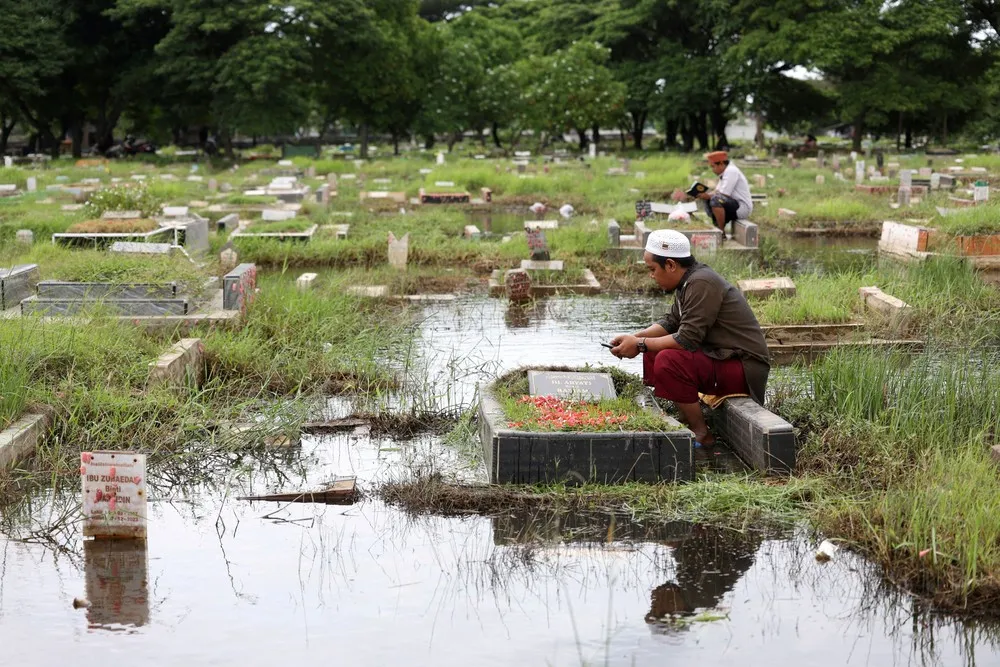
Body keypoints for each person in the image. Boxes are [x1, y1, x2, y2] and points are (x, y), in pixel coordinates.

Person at [608, 229, 770, 446]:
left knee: (668, 359)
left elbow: (687, 339)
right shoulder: (688, 282)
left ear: (671, 265)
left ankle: (701, 433)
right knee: (654, 352)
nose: (651, 275)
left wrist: (639, 344)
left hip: (743, 366)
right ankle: (681, 413)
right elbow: (670, 323)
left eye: (652, 269)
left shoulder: (702, 282)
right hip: (720, 359)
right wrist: (634, 337)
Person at [677, 151, 752, 237]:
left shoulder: (731, 171)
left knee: (715, 199)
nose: (712, 170)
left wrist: (708, 196)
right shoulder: (725, 172)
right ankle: (717, 226)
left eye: (713, 166)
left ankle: (721, 232)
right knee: (710, 198)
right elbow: (717, 191)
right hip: (733, 205)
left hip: (741, 207)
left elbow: (724, 194)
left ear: (721, 163)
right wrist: (702, 195)